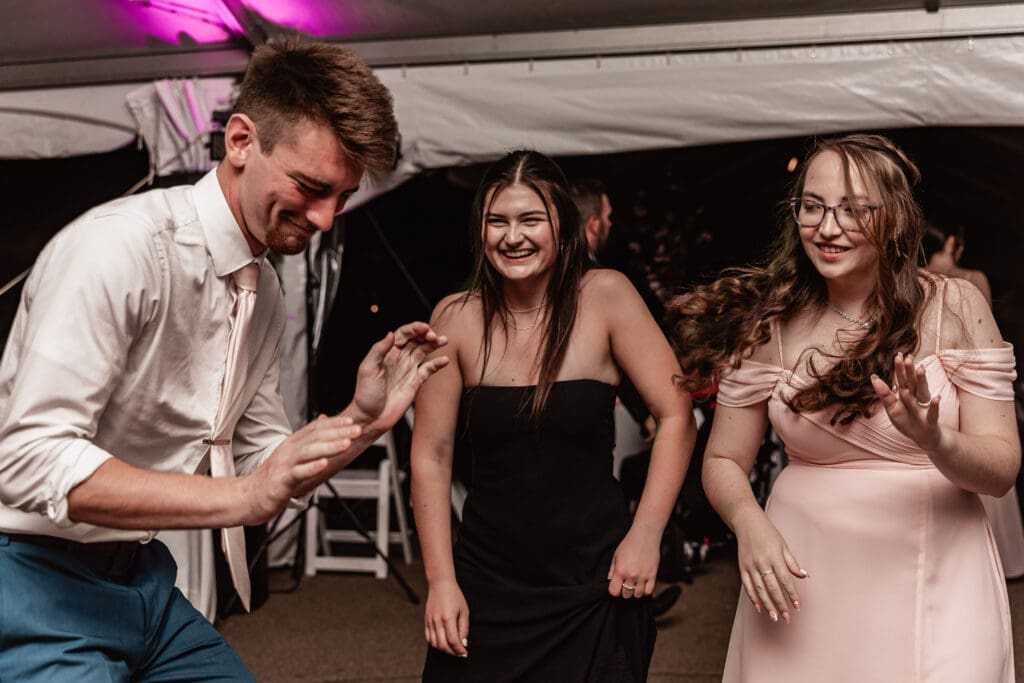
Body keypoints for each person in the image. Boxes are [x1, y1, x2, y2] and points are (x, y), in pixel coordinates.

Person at [0, 38, 448, 682]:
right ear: (240, 141)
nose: (326, 219)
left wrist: (363, 421)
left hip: (140, 577)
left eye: (343, 197)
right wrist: (243, 497)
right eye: (311, 187)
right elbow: (28, 460)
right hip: (28, 572)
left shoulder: (263, 291)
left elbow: (262, 464)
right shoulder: (118, 248)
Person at [672, 134, 1019, 681]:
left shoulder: (953, 307)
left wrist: (937, 441)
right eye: (813, 206)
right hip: (805, 573)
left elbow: (1001, 472)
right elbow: (723, 460)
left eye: (855, 210)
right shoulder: (770, 323)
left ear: (896, 219)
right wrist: (749, 524)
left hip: (939, 571)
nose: (828, 228)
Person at [411, 150, 696, 681]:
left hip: (595, 580)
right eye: (497, 221)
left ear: (562, 226)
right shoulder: (455, 318)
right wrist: (441, 581)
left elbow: (677, 414)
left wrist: (646, 534)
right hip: (486, 581)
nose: (512, 236)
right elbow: (431, 455)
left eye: (530, 220)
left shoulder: (606, 296)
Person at [573, 177, 683, 617]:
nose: (611, 225)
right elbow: (613, 361)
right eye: (608, 217)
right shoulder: (592, 284)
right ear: (594, 224)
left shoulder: (606, 283)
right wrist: (645, 412)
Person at [922, 222, 1024, 579]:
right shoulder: (971, 278)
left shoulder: (936, 281)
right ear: (952, 243)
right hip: (962, 383)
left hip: (960, 381)